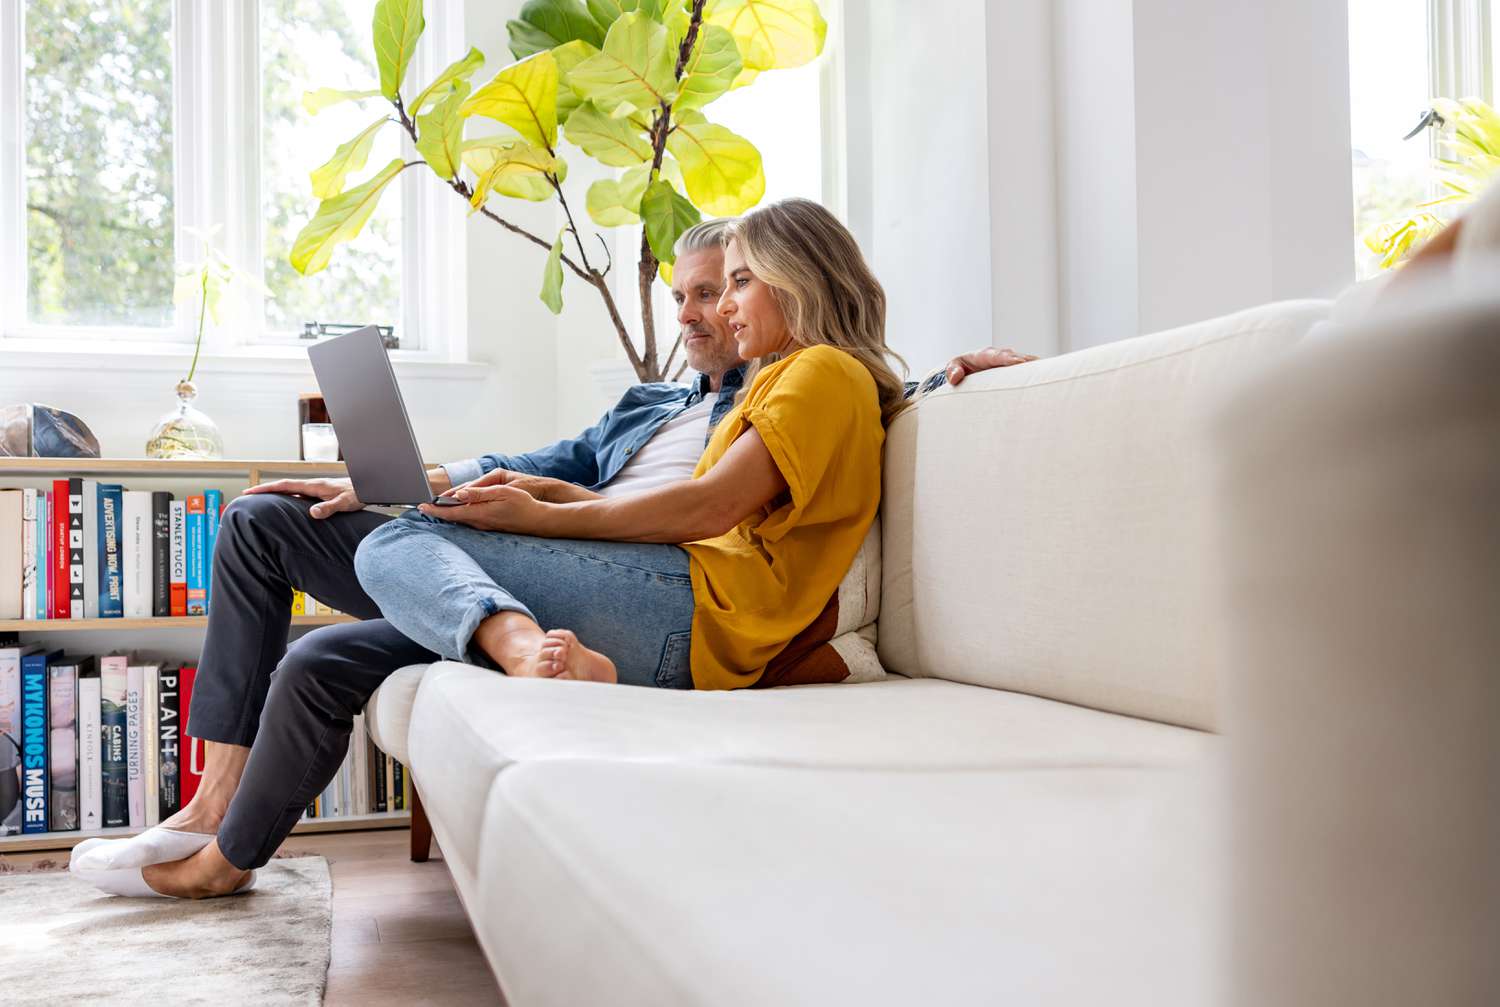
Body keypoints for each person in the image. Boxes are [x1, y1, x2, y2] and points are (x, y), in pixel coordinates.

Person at [69, 205, 1037, 900]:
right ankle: (219, 843)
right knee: (308, 614)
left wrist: (954, 377)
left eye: (730, 285)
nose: (710, 311)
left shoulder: (802, 377)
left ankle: (519, 643)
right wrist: (424, 481)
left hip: (655, 591)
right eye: (697, 293)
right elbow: (535, 464)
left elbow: (791, 452)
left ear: (790, 280)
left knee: (403, 537)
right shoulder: (655, 404)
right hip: (600, 571)